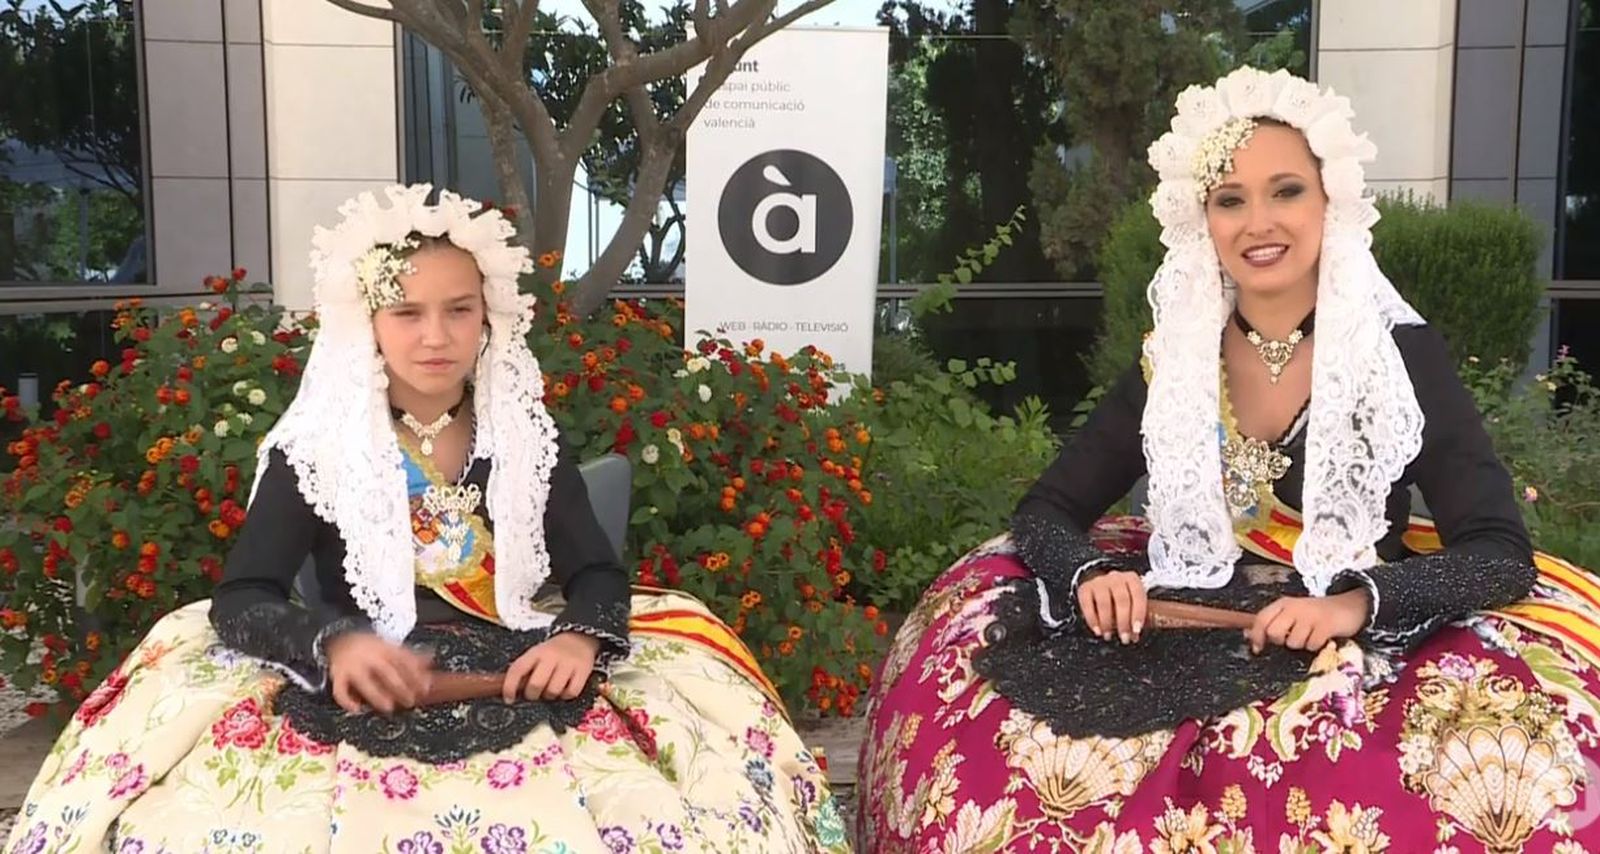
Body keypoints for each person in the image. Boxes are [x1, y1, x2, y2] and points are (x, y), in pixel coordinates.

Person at [859, 68, 1600, 853]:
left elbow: (1497, 548)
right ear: (1201, 218)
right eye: (1230, 199)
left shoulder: (1395, 359)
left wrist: (1351, 605)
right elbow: (1046, 511)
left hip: (1349, 645)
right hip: (1184, 625)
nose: (1259, 222)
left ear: (1330, 203)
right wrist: (1090, 578)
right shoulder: (1173, 361)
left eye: (1285, 191)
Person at [6, 185, 849, 853]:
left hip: (520, 662)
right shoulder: (322, 447)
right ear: (367, 322)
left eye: (459, 309)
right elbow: (243, 597)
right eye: (407, 312)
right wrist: (333, 642)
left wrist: (580, 638)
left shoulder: (523, 436)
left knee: (706, 809)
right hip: (357, 684)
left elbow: (595, 571)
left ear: (490, 317)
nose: (435, 335)